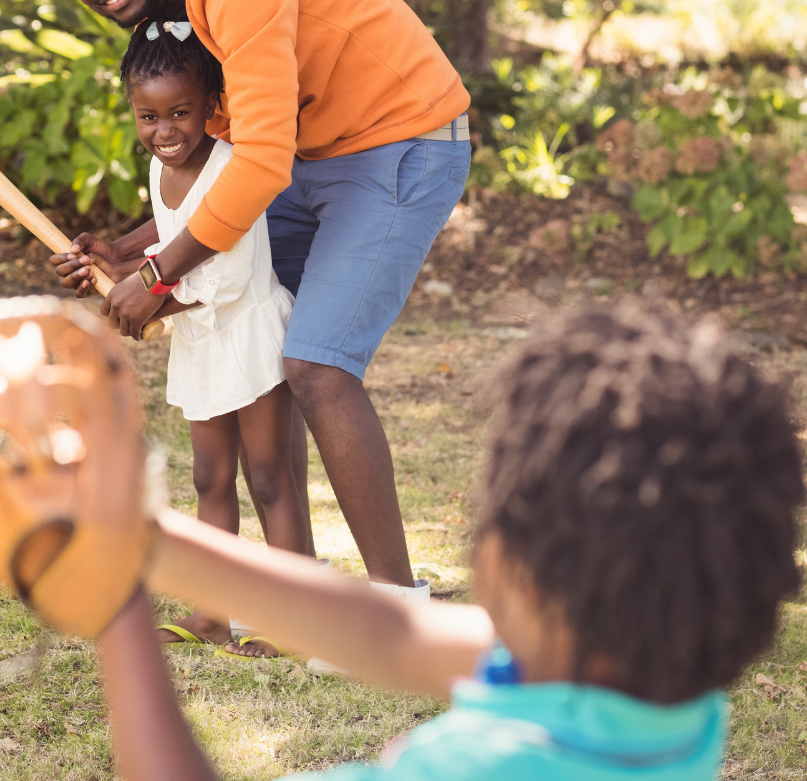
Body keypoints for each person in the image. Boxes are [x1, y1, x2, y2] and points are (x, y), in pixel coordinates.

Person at [92, 301, 805, 781]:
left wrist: (115, 599)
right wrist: (150, 539)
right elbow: (398, 635)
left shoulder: (472, 766)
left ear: (511, 565)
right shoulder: (674, 697)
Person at [48, 0, 472, 601]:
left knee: (315, 364)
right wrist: (122, 252)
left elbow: (261, 163)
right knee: (262, 333)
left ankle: (397, 607)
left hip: (403, 139)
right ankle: (294, 595)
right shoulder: (177, 19)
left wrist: (155, 278)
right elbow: (231, 169)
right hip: (310, 160)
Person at [82, 0, 307, 657]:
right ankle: (212, 614)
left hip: (248, 335)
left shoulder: (230, 167)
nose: (165, 131)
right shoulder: (161, 166)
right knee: (211, 478)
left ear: (211, 104)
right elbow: (169, 233)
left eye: (180, 113)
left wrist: (146, 297)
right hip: (203, 343)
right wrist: (114, 256)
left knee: (269, 478)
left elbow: (223, 278)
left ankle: (292, 619)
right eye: (148, 117)